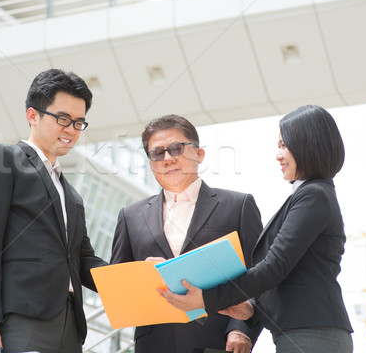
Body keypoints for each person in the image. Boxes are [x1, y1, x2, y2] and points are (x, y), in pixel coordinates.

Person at [160, 105, 354, 353]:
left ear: (308, 144)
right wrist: (251, 309)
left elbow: (274, 266)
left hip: (312, 334)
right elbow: (291, 276)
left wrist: (206, 298)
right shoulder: (310, 194)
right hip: (303, 333)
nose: (278, 155)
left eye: (284, 145)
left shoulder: (313, 195)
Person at [0, 69, 107, 353]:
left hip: (70, 327)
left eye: (78, 122)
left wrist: (138, 275)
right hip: (21, 318)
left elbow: (82, 261)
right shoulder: (2, 160)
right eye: (62, 118)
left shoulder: (72, 196)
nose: (70, 130)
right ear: (33, 115)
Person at [111, 114, 263, 353]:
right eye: (157, 153)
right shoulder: (130, 216)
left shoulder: (238, 205)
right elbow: (120, 286)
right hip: (153, 345)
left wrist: (241, 329)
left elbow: (261, 276)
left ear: (199, 154)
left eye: (177, 149)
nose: (168, 159)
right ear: (151, 163)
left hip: (218, 343)